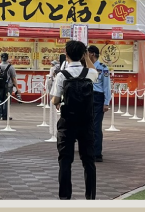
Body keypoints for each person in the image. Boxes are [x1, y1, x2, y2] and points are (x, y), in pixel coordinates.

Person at [50, 40, 100, 200]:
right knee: (88, 161)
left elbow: (55, 100)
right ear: (83, 54)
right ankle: (90, 198)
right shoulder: (90, 74)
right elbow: (95, 71)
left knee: (65, 160)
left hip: (67, 122)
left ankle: (65, 198)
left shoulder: (61, 75)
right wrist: (87, 57)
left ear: (66, 54)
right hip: (86, 122)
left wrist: (59, 102)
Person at [87, 45, 111, 163]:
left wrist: (106, 102)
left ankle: (97, 154)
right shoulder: (85, 67)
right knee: (86, 125)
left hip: (97, 97)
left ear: (92, 54)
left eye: (87, 53)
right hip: (86, 97)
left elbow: (107, 86)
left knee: (96, 126)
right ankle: (88, 150)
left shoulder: (103, 68)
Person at [0, 53, 17, 121]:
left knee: (0, 100)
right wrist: (17, 88)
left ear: (1, 58)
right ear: (7, 58)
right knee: (7, 101)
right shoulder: (11, 67)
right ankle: (5, 116)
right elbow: (13, 78)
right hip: (8, 86)